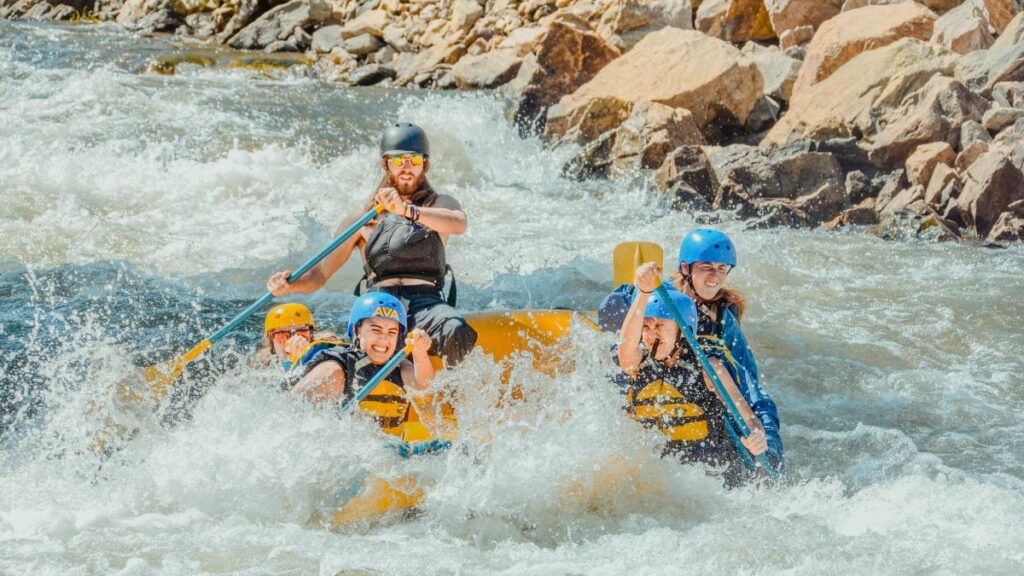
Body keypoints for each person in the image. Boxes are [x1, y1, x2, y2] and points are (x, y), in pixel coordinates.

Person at [266, 123, 477, 365]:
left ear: (424, 164)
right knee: (371, 341)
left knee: (456, 329)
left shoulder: (438, 204)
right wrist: (288, 284)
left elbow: (458, 223)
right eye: (398, 161)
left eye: (414, 160)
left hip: (426, 301)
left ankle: (450, 392)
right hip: (380, 303)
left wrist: (407, 210)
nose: (406, 167)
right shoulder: (361, 219)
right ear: (385, 164)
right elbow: (320, 274)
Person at [598, 229, 783, 470]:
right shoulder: (658, 297)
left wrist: (764, 441)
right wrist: (642, 289)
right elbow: (624, 343)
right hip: (650, 389)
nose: (715, 277)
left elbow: (749, 391)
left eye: (721, 268)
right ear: (686, 268)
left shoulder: (719, 335)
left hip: (699, 411)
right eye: (707, 267)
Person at [615, 263, 768, 486]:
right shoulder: (637, 362)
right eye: (646, 327)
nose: (650, 335)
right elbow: (625, 348)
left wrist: (757, 436)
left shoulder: (709, 367)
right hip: (660, 471)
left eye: (659, 326)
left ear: (681, 329)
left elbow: (749, 418)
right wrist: (643, 292)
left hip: (709, 473)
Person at [292, 292, 437, 438]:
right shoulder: (337, 369)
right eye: (376, 330)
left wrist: (420, 353)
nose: (384, 338)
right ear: (357, 331)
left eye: (392, 332)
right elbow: (292, 410)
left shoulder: (400, 366)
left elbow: (424, 389)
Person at [251, 302, 343, 375]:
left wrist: (302, 357)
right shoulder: (262, 364)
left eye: (301, 333)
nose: (293, 340)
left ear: (311, 335)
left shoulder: (326, 349)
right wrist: (290, 361)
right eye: (282, 335)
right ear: (271, 341)